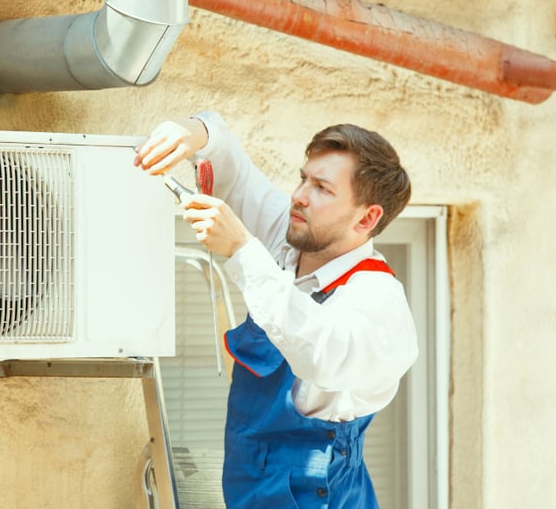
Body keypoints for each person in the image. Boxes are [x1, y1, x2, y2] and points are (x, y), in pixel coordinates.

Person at [133, 112, 418, 509]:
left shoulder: (377, 300)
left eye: (321, 188)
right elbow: (234, 170)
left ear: (367, 217)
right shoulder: (291, 243)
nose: (299, 195)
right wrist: (190, 134)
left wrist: (242, 251)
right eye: (303, 178)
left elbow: (323, 354)